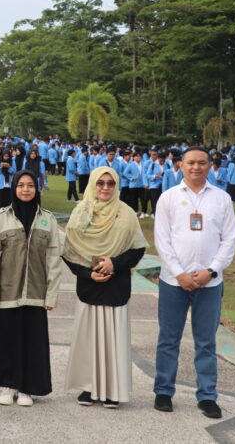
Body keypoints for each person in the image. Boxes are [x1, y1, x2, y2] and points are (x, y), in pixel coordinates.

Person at [153, 147, 235, 419]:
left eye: (202, 163)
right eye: (191, 163)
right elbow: (162, 241)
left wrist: (211, 271)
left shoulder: (222, 198)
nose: (196, 167)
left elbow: (229, 241)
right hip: (173, 282)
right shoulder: (168, 198)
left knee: (206, 341)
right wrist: (179, 273)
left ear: (210, 166)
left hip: (209, 284)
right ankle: (164, 391)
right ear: (181, 165)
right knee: (168, 339)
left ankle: (207, 396)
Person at [63, 166, 148, 409]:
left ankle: (113, 390)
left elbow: (138, 248)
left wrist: (114, 263)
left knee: (114, 339)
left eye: (110, 183)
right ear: (92, 184)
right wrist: (88, 273)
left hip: (116, 283)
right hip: (90, 285)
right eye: (100, 183)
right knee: (89, 339)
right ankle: (89, 388)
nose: (105, 188)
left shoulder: (127, 213)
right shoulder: (81, 212)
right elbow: (69, 253)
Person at [0, 171, 62, 407]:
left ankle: (28, 387)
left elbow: (54, 259)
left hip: (36, 292)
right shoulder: (1, 217)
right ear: (14, 188)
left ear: (37, 189)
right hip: (7, 291)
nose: (25, 190)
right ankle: (9, 384)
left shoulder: (47, 219)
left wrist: (51, 293)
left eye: (30, 186)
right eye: (21, 185)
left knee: (32, 340)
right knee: (7, 338)